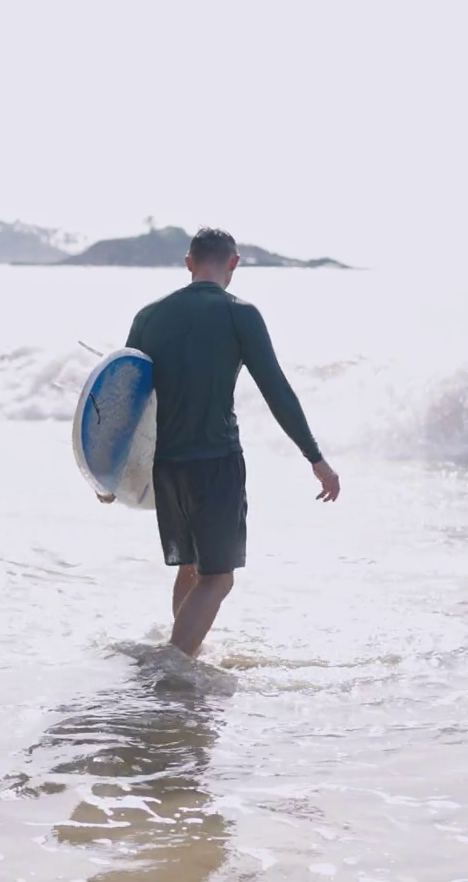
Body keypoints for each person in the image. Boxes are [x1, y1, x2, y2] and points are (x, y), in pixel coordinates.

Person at [111, 228, 340, 658]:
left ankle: (184, 658)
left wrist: (110, 475)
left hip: (167, 466)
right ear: (234, 262)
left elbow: (124, 399)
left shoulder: (148, 316)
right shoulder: (240, 314)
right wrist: (316, 457)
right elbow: (276, 390)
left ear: (188, 262)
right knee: (218, 578)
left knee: (190, 567)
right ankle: (173, 667)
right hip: (214, 461)